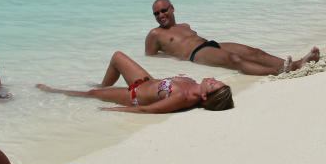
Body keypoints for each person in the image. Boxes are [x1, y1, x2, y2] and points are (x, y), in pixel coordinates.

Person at [146, 0, 320, 76]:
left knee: (254, 52)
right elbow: (151, 57)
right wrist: (175, 58)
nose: (160, 15)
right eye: (156, 13)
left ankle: (296, 64)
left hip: (210, 44)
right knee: (234, 59)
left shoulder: (184, 26)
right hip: (195, 54)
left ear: (172, 8)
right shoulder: (155, 34)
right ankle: (279, 72)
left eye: (164, 10)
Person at [36, 51, 233, 113]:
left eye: (214, 84)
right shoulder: (192, 84)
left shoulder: (182, 97)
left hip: (134, 96)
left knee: (91, 95)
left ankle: (53, 90)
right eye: (217, 81)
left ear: (205, 96)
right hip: (144, 80)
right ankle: (103, 85)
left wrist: (113, 110)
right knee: (117, 57)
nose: (213, 79)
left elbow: (147, 110)